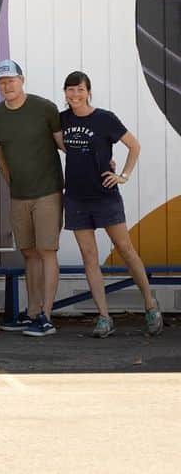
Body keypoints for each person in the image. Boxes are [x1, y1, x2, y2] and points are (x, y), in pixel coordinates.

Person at [60, 70, 163, 338]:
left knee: (125, 249)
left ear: (88, 91)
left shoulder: (104, 118)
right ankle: (104, 317)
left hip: (105, 197)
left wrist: (123, 175)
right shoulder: (62, 120)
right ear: (65, 93)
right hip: (76, 197)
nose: (75, 95)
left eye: (80, 89)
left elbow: (134, 146)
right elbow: (64, 146)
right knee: (89, 257)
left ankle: (150, 305)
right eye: (70, 90)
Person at [0, 59, 65, 337]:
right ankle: (32, 313)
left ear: (22, 79)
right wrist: (12, 182)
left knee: (47, 252)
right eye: (1, 81)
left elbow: (66, 145)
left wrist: (102, 160)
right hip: (19, 195)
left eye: (11, 79)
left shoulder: (45, 108)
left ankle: (46, 315)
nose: (7, 85)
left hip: (48, 192)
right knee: (29, 253)